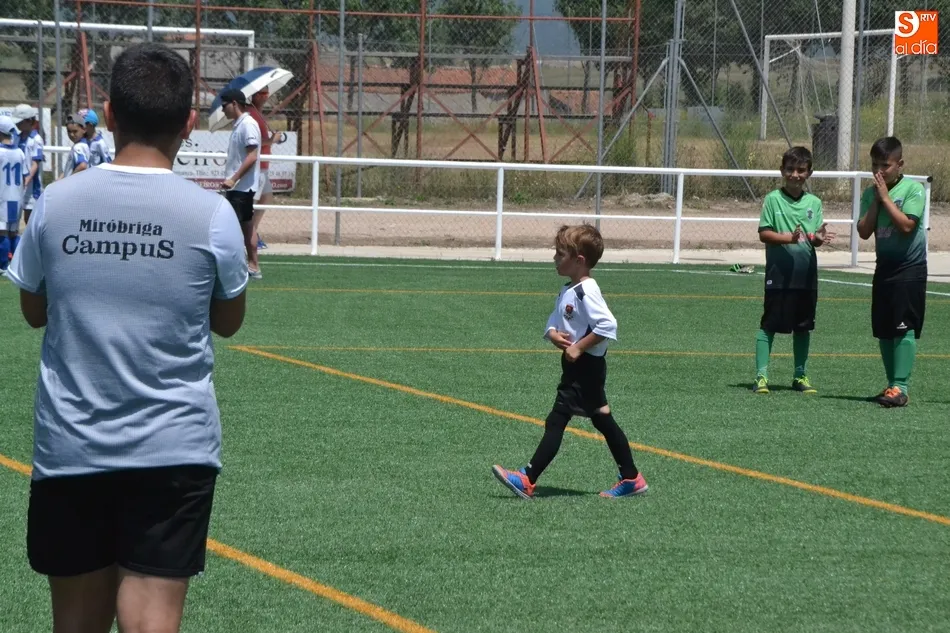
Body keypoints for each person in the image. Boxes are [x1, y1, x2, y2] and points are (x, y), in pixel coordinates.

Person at [6, 42, 248, 633]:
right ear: (188, 124)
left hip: (73, 445)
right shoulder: (212, 215)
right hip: (174, 449)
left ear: (110, 115)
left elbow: (33, 311)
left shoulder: (56, 203)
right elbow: (228, 321)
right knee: (152, 623)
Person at [492, 224, 648, 499]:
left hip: (585, 367)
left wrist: (578, 347)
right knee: (602, 419)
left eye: (560, 254)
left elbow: (608, 325)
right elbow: (555, 319)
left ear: (579, 260)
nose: (554, 258)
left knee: (557, 419)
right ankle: (631, 477)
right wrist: (552, 333)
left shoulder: (587, 291)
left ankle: (527, 478)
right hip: (579, 366)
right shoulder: (569, 288)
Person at [752, 146, 834, 395]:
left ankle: (800, 375)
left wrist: (819, 238)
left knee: (803, 326)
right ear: (782, 171)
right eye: (790, 169)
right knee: (769, 324)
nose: (795, 175)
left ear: (809, 173)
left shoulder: (814, 203)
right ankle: (761, 376)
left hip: (805, 276)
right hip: (779, 275)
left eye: (801, 170)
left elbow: (814, 238)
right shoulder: (772, 199)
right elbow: (764, 233)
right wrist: (788, 238)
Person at [856, 137, 927, 408]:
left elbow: (907, 226)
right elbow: (864, 231)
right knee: (884, 330)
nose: (879, 170)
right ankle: (891, 386)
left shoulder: (913, 189)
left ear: (900, 164)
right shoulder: (869, 194)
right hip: (884, 268)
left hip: (909, 268)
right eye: (874, 164)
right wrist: (877, 200)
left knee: (903, 326)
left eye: (885, 165)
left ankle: (901, 387)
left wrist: (886, 198)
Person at [219, 88, 261, 279]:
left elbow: (252, 156)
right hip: (239, 187)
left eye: (224, 105)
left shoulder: (248, 125)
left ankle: (243, 265)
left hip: (241, 187)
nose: (223, 110)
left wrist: (233, 179)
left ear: (234, 103)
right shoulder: (240, 125)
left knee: (234, 228)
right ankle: (253, 266)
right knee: (246, 225)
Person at [248, 86, 282, 257]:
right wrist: (272, 140)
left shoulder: (258, 114)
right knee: (254, 201)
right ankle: (249, 235)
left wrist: (271, 139)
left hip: (263, 165)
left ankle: (252, 231)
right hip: (257, 165)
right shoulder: (251, 115)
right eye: (262, 93)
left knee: (266, 197)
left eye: (267, 93)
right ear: (254, 96)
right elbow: (254, 141)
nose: (266, 96)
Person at [0, 115, 27, 273]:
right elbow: (24, 177)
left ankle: (3, 265)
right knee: (13, 232)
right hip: (16, 197)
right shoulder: (20, 152)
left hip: (2, 198)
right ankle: (16, 266)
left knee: (2, 232)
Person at [11, 104, 44, 225]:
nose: (17, 124)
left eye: (20, 122)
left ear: (29, 121)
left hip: (31, 186)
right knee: (14, 216)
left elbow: (36, 163)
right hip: (16, 184)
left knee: (29, 219)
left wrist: (26, 180)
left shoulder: (36, 139)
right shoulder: (16, 138)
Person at [59, 114, 90, 180]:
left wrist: (69, 180)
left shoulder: (78, 147)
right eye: (69, 131)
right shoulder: (84, 145)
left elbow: (83, 165)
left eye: (75, 131)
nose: (72, 134)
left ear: (84, 130)